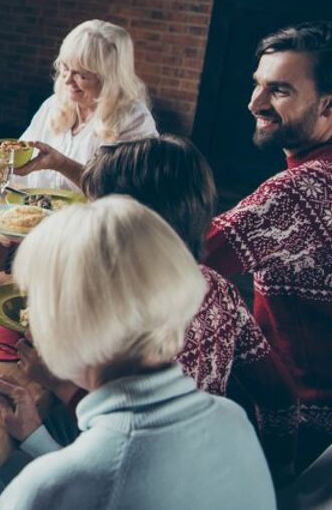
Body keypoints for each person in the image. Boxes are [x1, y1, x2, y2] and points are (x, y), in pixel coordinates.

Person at [0, 196, 276, 509]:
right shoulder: (232, 419)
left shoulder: (43, 490)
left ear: (65, 322)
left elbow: (99, 483)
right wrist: (36, 437)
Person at [21, 135, 296, 477]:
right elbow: (279, 395)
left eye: (96, 210)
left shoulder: (132, 320)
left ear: (135, 226)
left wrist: (60, 394)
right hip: (202, 464)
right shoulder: (218, 287)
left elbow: (129, 445)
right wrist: (277, 472)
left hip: (138, 471)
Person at [203, 21, 332, 471]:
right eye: (258, 85)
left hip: (294, 416)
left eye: (278, 90)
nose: (254, 103)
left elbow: (176, 254)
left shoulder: (304, 191)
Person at [7, 19, 158, 191]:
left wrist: (62, 164)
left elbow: (120, 196)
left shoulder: (135, 121)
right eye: (65, 67)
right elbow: (21, 162)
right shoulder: (53, 104)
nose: (67, 79)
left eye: (82, 75)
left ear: (109, 79)